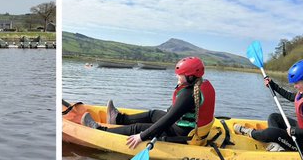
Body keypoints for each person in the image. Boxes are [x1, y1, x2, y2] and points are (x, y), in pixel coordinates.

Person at [84, 56, 217, 146]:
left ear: (190, 76)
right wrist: (168, 112)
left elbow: (167, 120)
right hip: (189, 128)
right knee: (152, 114)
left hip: (185, 134)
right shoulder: (203, 84)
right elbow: (179, 110)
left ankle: (100, 130)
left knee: (138, 128)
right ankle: (117, 119)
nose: (176, 76)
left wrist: (141, 136)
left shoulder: (189, 94)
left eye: (180, 75)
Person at [236, 59, 303, 152]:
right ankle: (278, 143)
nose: (295, 86)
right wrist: (273, 85)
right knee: (274, 117)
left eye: (297, 83)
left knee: (272, 133)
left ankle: (249, 132)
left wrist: (295, 131)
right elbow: (292, 97)